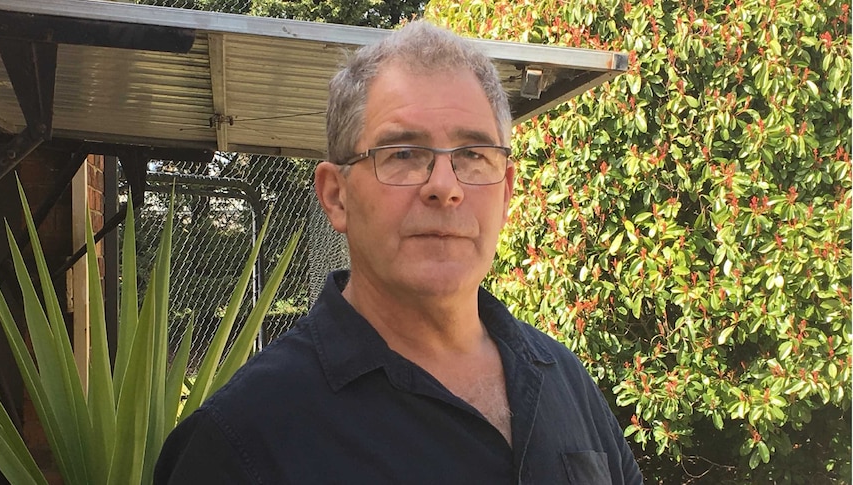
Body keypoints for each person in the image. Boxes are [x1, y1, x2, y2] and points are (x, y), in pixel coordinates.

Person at [154, 20, 643, 484]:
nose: (445, 188)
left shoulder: (566, 382)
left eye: (472, 154)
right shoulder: (240, 442)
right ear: (336, 196)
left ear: (507, 188)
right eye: (404, 154)